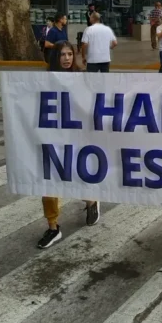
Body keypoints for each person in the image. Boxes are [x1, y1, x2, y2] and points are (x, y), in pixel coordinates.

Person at [38, 41, 99, 249]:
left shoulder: (82, 79)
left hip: (76, 138)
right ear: (56, 57)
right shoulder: (44, 81)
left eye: (70, 54)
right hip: (52, 138)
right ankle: (53, 226)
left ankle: (91, 200)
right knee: (48, 183)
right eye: (63, 55)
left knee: (77, 175)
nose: (67, 58)